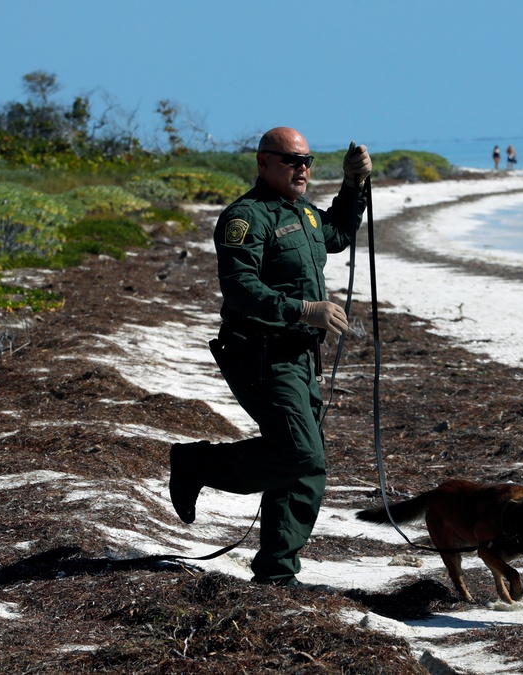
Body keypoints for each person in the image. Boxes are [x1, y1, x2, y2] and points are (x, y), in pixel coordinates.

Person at [168, 126, 372, 588]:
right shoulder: (245, 217)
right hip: (258, 355)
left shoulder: (302, 213)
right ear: (263, 162)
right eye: (290, 161)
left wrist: (352, 185)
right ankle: (195, 465)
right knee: (300, 453)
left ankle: (277, 571)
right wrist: (305, 309)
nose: (302, 169)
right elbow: (240, 291)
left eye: (307, 161)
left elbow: (336, 233)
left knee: (308, 462)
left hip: (299, 356)